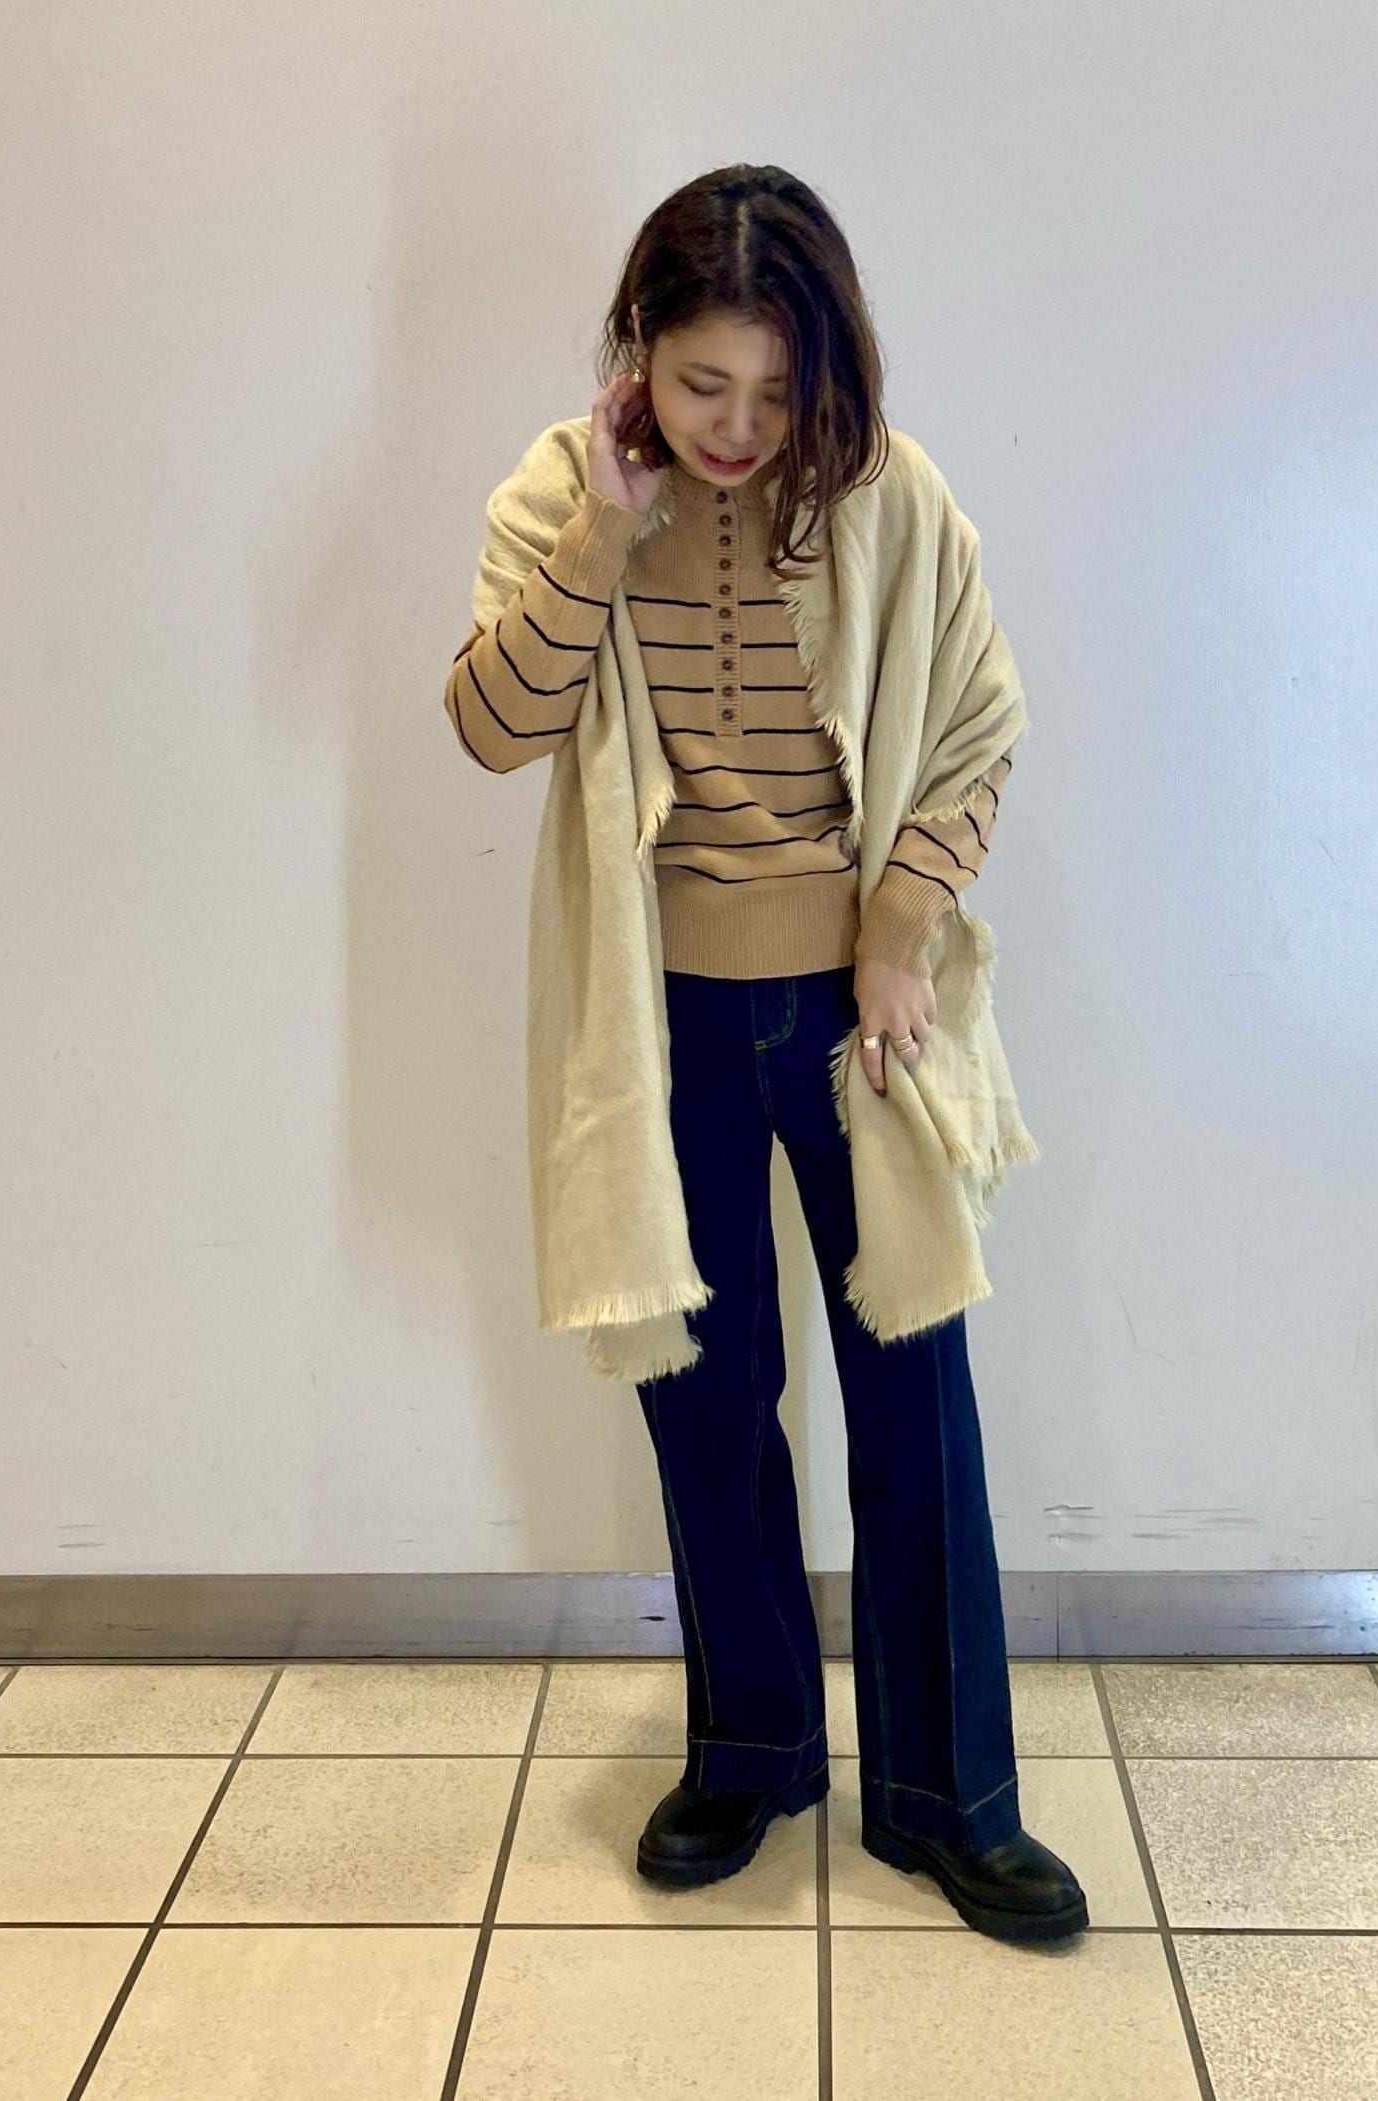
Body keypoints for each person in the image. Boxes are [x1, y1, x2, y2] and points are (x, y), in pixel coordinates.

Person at [444, 164, 1087, 1946]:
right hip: (663, 1017)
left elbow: (977, 728)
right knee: (710, 1398)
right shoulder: (563, 490)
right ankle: (749, 1751)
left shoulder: (892, 493)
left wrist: (898, 931)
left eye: (774, 391)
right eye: (698, 383)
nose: (733, 428)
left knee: (915, 1396)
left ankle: (951, 1800)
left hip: (862, 1016)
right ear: (635, 357)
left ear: (829, 371)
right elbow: (494, 723)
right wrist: (603, 537)